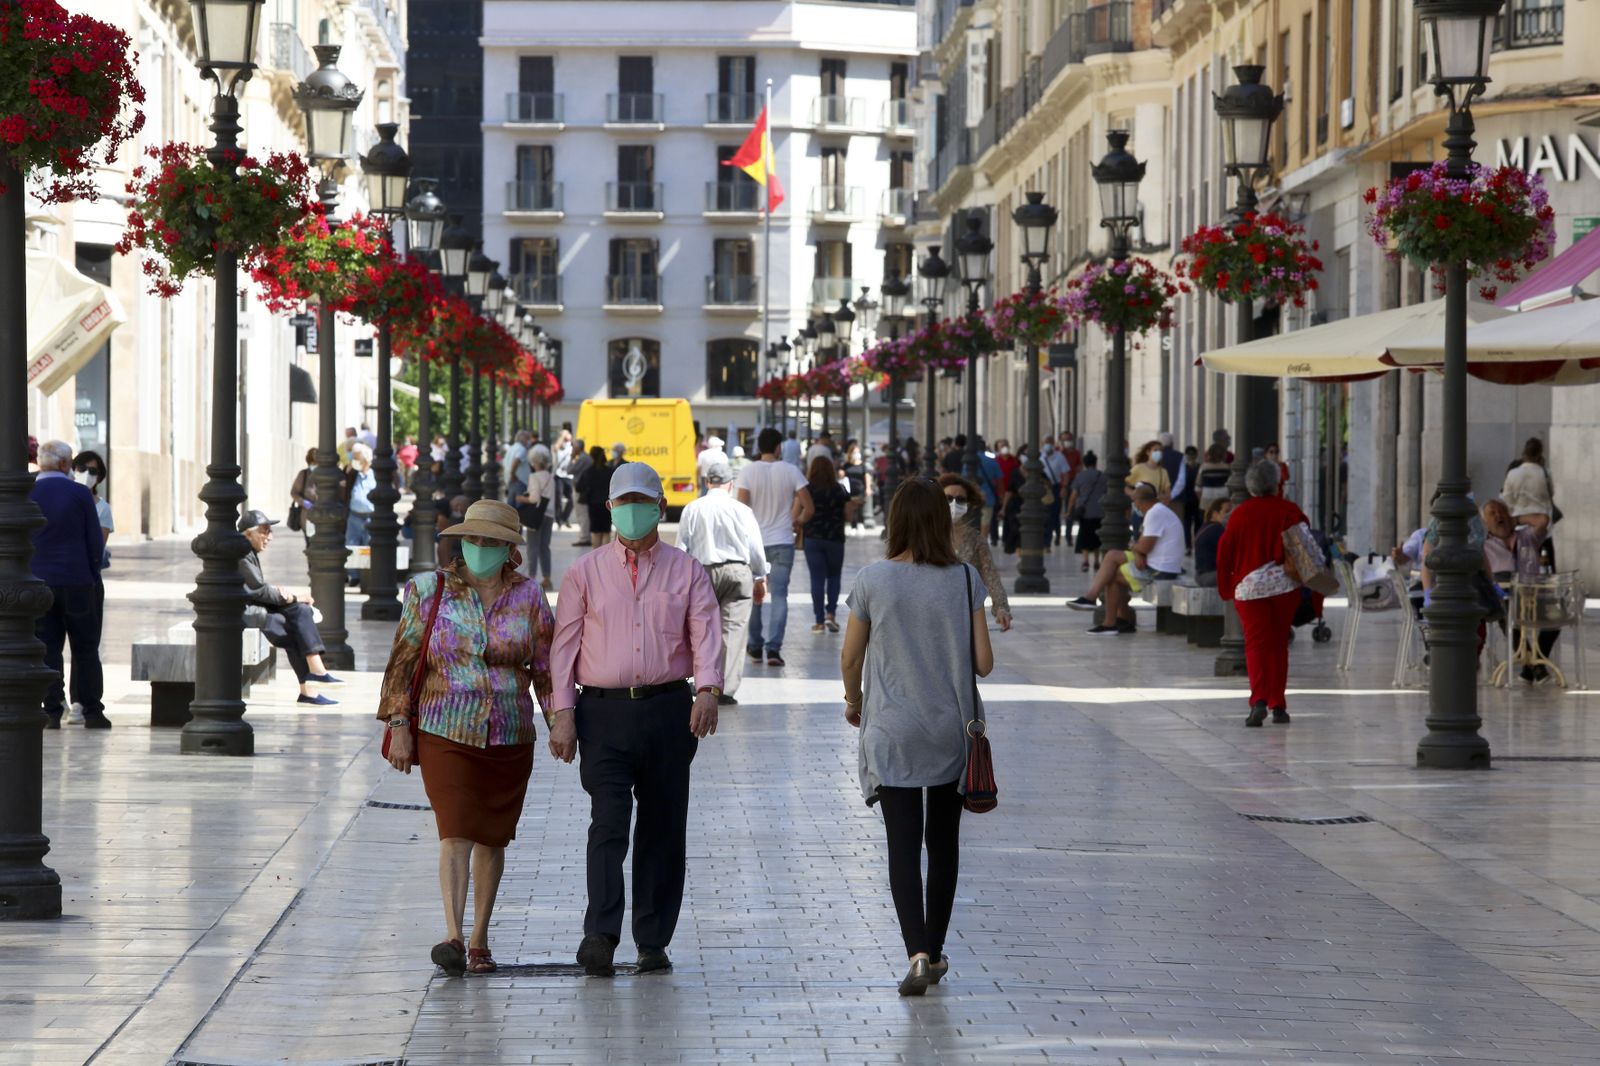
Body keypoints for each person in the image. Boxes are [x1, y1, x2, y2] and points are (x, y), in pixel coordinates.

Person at [548, 462, 724, 978]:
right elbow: (563, 648)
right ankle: (600, 935)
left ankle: (652, 940)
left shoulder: (686, 570)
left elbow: (706, 632)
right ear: (608, 508)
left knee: (663, 829)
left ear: (659, 507)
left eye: (641, 502)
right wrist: (562, 714)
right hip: (601, 713)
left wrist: (708, 689)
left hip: (669, 710)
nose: (631, 511)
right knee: (608, 824)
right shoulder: (584, 572)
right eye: (622, 503)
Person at [379, 500, 555, 977]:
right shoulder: (428, 590)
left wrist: (560, 720)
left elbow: (545, 668)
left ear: (509, 550)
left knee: (492, 836)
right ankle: (453, 935)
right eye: (471, 539)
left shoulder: (529, 597)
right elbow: (403, 662)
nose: (478, 548)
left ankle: (480, 938)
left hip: (509, 732)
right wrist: (399, 726)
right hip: (444, 727)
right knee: (455, 829)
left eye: (490, 542)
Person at [841, 478, 994, 996]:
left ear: (896, 521)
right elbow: (984, 664)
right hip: (950, 730)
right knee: (943, 845)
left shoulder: (872, 579)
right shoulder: (966, 579)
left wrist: (853, 701)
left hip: (893, 729)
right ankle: (937, 942)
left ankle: (918, 954)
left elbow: (850, 657)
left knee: (901, 848)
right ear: (942, 522)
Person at [1216, 460, 1311, 727]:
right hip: (1284, 587)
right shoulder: (1289, 511)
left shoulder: (1240, 514)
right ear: (1276, 483)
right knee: (1279, 645)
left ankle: (1258, 700)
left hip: (1249, 588)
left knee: (1255, 644)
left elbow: (1225, 551)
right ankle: (1278, 705)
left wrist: (1228, 585)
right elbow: (1306, 545)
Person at [676, 460, 767, 706]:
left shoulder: (693, 508)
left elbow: (681, 547)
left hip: (703, 572)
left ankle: (704, 681)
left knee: (703, 628)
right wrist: (760, 576)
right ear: (730, 484)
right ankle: (724, 688)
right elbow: (755, 548)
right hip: (738, 572)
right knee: (733, 630)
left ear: (707, 482)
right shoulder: (742, 510)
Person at [31, 440, 107, 729]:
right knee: (85, 647)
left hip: (38, 585)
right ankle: (92, 710)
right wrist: (92, 571)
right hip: (77, 581)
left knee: (48, 648)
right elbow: (94, 541)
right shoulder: (79, 493)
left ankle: (51, 710)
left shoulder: (28, 491)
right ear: (65, 464)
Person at [238, 510, 342, 705]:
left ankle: (314, 678)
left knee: (300, 611)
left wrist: (285, 596)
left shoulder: (247, 551)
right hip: (245, 612)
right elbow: (258, 591)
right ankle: (314, 678)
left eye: (270, 531)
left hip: (254, 606)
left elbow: (256, 588)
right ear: (247, 533)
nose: (270, 537)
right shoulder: (242, 553)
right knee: (296, 625)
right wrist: (293, 597)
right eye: (265, 531)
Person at [737, 427, 814, 667]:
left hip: (754, 543)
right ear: (779, 447)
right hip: (783, 540)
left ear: (758, 448)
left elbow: (740, 508)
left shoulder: (748, 472)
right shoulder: (791, 471)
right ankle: (773, 649)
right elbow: (809, 507)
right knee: (780, 595)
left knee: (755, 594)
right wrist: (797, 521)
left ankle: (755, 644)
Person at [1066, 483, 1184, 634]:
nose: (1134, 506)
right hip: (1153, 561)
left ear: (1140, 502)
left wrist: (1137, 548)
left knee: (1114, 575)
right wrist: (1138, 551)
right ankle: (1096, 601)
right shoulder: (1157, 511)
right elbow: (1141, 544)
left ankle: (1110, 623)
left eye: (1134, 502)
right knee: (1112, 555)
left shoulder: (1155, 514)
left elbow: (1143, 546)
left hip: (1160, 569)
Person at [1481, 497, 1556, 682]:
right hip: (1505, 601)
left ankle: (1531, 666)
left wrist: (1517, 520)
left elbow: (1543, 520)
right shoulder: (1484, 547)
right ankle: (1535, 665)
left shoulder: (1528, 537)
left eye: (1502, 512)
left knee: (1555, 616)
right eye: (1493, 513)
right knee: (1506, 615)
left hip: (1534, 598)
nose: (1499, 516)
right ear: (1485, 522)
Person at [939, 474, 1012, 631]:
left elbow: (990, 575)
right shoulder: (927, 536)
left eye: (960, 500)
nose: (954, 503)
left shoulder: (976, 539)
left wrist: (1001, 608)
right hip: (934, 614)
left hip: (966, 614)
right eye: (948, 498)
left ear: (968, 504)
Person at [803, 454, 851, 633]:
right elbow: (848, 516)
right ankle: (831, 614)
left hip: (813, 538)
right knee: (834, 576)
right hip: (835, 539)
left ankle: (819, 621)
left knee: (816, 579)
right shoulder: (840, 490)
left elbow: (803, 511)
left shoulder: (807, 489)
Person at [515, 447, 557, 590]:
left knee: (532, 547)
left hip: (536, 516)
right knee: (545, 547)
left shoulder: (534, 476)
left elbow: (534, 498)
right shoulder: (551, 476)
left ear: (534, 463)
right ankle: (547, 578)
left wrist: (521, 498)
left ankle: (531, 578)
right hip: (549, 514)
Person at [1501, 436, 1553, 536]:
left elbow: (1507, 497)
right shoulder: (1546, 473)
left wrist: (1516, 508)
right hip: (1543, 524)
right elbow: (1551, 494)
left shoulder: (1513, 473)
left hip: (1520, 522)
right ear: (1540, 454)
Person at [71, 450, 113, 571]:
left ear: (99, 477)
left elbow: (98, 548)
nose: (86, 474)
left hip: (85, 572)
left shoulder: (102, 508)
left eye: (93, 471)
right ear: (74, 470)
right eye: (82, 468)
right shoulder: (63, 499)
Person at [1065, 451, 1106, 574]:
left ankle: (1085, 561)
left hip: (1085, 511)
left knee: (1084, 536)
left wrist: (1069, 510)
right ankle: (1097, 561)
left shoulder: (1080, 476)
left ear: (1084, 463)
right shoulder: (1102, 476)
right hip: (1100, 511)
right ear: (1095, 462)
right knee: (1098, 537)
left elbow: (1073, 496)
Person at [576, 445, 614, 548]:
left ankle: (596, 558)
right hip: (608, 505)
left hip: (593, 505)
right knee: (606, 531)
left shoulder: (588, 472)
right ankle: (607, 557)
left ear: (592, 456)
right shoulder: (610, 471)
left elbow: (578, 487)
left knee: (596, 533)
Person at [1193, 497, 1233, 587]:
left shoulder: (1206, 527)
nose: (1230, 515)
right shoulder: (1217, 530)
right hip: (1210, 576)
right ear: (1215, 514)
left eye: (1232, 512)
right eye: (1226, 512)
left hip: (1201, 575)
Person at [567, 438, 592, 545]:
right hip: (583, 488)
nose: (572, 448)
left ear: (577, 448)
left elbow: (569, 470)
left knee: (582, 513)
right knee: (583, 513)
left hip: (580, 489)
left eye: (573, 446)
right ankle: (585, 536)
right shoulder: (586, 457)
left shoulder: (582, 458)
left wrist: (571, 457)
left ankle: (584, 538)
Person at [290, 447, 318, 541]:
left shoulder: (324, 475)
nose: (315, 465)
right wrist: (304, 502)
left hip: (323, 516)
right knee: (310, 544)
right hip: (308, 517)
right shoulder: (304, 474)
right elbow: (294, 492)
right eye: (313, 463)